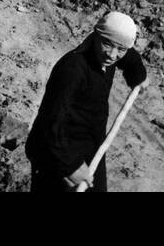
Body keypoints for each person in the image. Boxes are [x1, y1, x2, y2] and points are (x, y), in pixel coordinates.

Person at [25, 11, 147, 192]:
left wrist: (138, 75)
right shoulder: (72, 69)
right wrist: (70, 166)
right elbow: (50, 124)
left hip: (90, 145)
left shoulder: (111, 54)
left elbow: (128, 55)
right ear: (96, 35)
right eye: (107, 44)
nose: (112, 55)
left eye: (120, 49)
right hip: (55, 151)